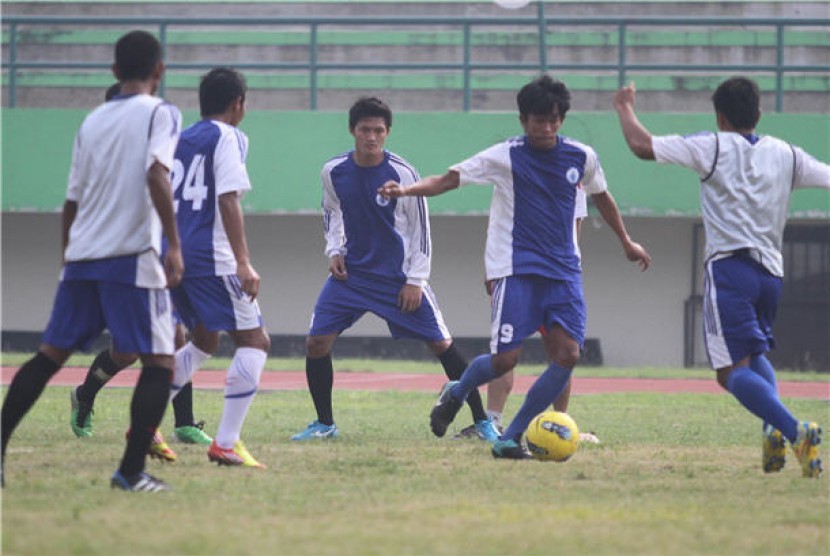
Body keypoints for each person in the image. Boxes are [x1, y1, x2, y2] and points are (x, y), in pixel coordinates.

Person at [379, 75, 651, 459]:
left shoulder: (582, 156)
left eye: (555, 119)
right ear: (524, 120)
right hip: (516, 271)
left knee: (567, 355)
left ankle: (512, 437)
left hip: (564, 274)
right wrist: (405, 190)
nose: (547, 127)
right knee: (506, 360)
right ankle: (456, 392)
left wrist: (626, 241)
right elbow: (448, 180)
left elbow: (602, 197)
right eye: (539, 120)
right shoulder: (505, 156)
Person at [613, 76, 827, 478]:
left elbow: (643, 146)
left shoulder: (711, 145)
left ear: (720, 116)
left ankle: (796, 431)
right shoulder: (786, 153)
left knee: (730, 372)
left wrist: (624, 107)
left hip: (730, 270)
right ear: (759, 113)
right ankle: (774, 436)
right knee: (756, 354)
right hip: (771, 274)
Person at [1, 30, 183, 492]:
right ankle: (129, 471)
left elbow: (71, 201)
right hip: (132, 258)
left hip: (83, 257)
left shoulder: (92, 120)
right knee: (161, 362)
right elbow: (157, 175)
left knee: (48, 356)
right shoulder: (162, 112)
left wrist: (68, 257)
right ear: (159, 71)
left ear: (114, 71)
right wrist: (175, 247)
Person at [292, 96, 499, 442]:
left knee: (441, 345)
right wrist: (335, 249)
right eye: (364, 130)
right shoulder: (333, 171)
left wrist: (415, 281)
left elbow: (421, 232)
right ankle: (324, 424)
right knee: (316, 342)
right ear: (352, 131)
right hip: (351, 277)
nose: (371, 137)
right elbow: (332, 210)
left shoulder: (403, 174)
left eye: (378, 130)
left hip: (397, 279)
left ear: (387, 133)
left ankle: (482, 421)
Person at [69, 83, 211, 456]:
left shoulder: (165, 147)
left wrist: (177, 246)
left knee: (177, 339)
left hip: (158, 255)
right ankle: (84, 396)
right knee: (127, 351)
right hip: (121, 259)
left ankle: (182, 423)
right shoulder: (104, 155)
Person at [167, 66, 270, 468]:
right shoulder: (229, 136)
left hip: (175, 253)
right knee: (255, 341)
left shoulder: (178, 139)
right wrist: (243, 261)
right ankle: (226, 443)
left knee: (206, 339)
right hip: (212, 257)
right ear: (238, 104)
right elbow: (228, 198)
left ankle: (144, 427)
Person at [454, 190, 599, 444]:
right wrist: (492, 269)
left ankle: (559, 422)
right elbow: (498, 224)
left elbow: (575, 225)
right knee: (504, 352)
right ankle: (492, 421)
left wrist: (569, 271)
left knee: (562, 352)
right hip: (517, 275)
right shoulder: (515, 169)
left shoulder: (572, 174)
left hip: (557, 279)